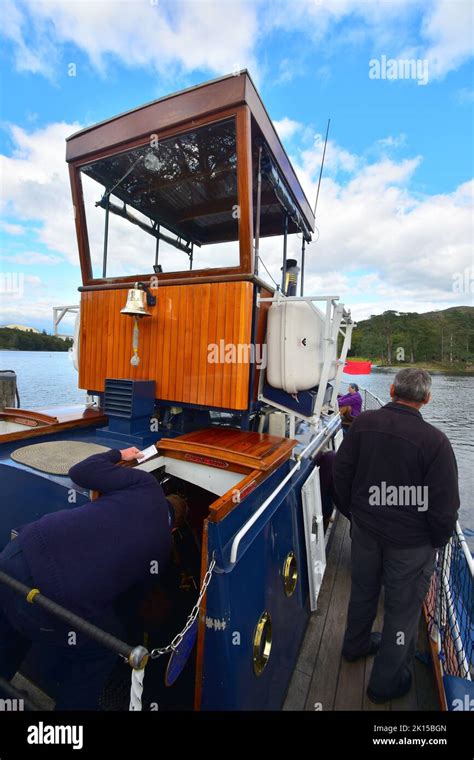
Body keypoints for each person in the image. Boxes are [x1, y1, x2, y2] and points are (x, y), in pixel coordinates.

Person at [0, 446, 186, 710]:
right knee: (103, 646)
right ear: (175, 528)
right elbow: (130, 604)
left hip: (15, 554)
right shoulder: (163, 547)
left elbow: (80, 471)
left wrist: (118, 455)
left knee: (13, 622)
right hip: (49, 596)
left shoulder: (145, 484)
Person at [334, 368, 459, 703]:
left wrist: (353, 513)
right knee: (402, 613)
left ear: (391, 390)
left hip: (366, 530)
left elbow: (341, 472)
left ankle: (355, 645)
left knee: (363, 592)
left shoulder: (363, 424)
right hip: (411, 544)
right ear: (427, 399)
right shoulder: (435, 443)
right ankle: (384, 684)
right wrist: (436, 539)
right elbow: (444, 508)